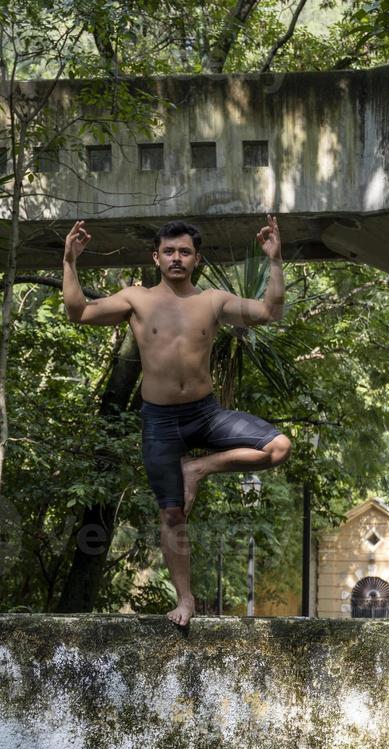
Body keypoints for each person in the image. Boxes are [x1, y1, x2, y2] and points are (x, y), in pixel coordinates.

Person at [62, 216, 292, 626]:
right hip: (160, 422)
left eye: (184, 251)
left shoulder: (214, 302)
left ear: (196, 259)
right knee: (172, 515)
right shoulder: (136, 299)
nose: (176, 258)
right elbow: (77, 312)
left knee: (279, 447)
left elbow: (271, 311)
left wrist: (274, 261)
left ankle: (198, 467)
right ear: (156, 257)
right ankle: (185, 600)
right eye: (168, 251)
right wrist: (69, 261)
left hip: (206, 415)